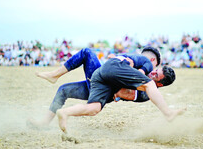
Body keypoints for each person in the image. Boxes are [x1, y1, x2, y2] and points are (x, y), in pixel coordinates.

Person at [28, 47, 166, 128]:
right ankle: (45, 122)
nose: (152, 71)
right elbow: (114, 58)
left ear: (152, 61)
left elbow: (124, 93)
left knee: (86, 52)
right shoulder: (136, 66)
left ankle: (54, 75)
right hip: (97, 81)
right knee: (63, 90)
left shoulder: (144, 81)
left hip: (102, 89)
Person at [56, 51, 185, 133]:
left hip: (103, 84)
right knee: (87, 53)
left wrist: (123, 64)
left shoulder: (146, 92)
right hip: (106, 76)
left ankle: (65, 112)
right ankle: (167, 113)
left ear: (161, 84)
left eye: (156, 75)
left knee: (93, 108)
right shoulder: (146, 78)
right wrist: (120, 61)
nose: (152, 72)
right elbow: (127, 62)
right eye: (156, 70)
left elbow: (122, 93)